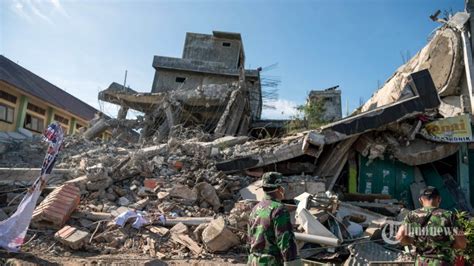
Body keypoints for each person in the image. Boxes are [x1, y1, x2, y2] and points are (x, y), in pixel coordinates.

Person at [396, 186, 467, 265]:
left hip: (421, 262)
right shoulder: (449, 216)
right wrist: (449, 246)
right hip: (442, 262)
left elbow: (400, 236)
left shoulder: (412, 216)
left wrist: (410, 241)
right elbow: (462, 244)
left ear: (420, 200)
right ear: (439, 199)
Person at [247, 172, 301, 266]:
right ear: (279, 189)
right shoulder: (279, 210)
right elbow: (285, 241)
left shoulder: (255, 209)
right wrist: (293, 263)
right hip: (271, 262)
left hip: (253, 261)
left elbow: (249, 239)